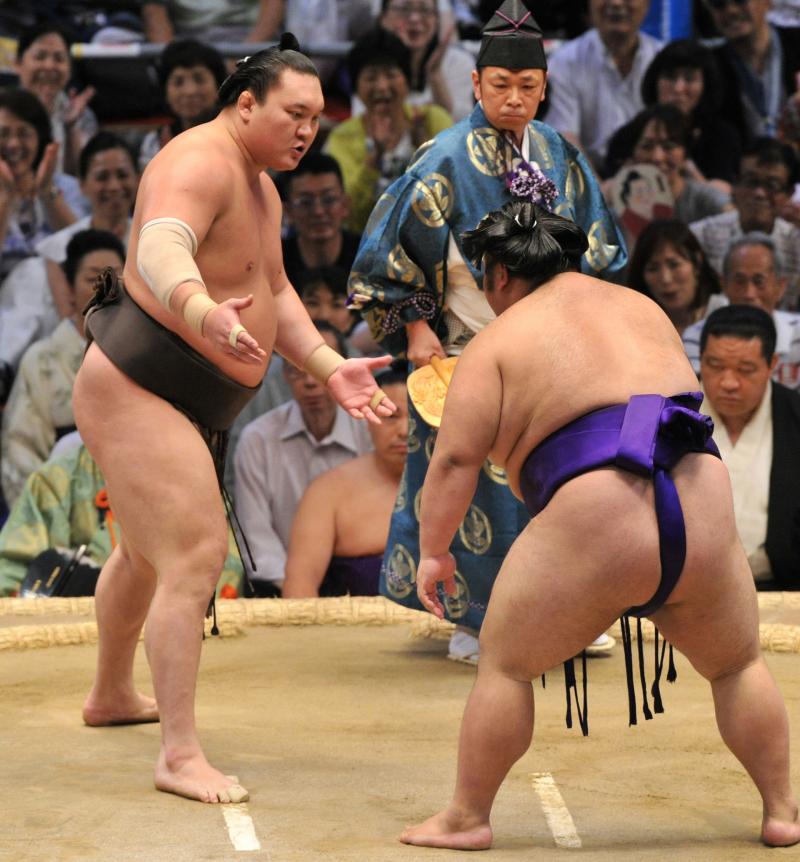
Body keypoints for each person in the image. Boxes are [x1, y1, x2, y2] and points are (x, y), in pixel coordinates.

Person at [400, 199, 800, 852]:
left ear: (499, 276)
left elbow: (455, 460)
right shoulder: (642, 307)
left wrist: (434, 552)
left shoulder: (496, 342)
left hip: (599, 510)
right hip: (698, 492)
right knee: (736, 663)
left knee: (504, 667)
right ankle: (783, 809)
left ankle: (467, 817)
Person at [71, 36, 394, 805]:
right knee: (194, 551)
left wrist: (326, 366)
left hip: (178, 390)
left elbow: (276, 291)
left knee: (147, 555)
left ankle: (112, 693)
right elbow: (160, 246)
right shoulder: (199, 162)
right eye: (294, 114)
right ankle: (178, 755)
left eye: (316, 118)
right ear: (245, 103)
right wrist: (198, 309)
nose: (307, 131)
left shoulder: (261, 184)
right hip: (136, 382)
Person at [349, 0, 626, 661]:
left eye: (528, 87)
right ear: (474, 85)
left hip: (556, 350)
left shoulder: (561, 155)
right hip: (465, 347)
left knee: (565, 481)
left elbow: (603, 251)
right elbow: (378, 266)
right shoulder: (440, 159)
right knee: (469, 480)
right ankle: (474, 619)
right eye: (500, 85)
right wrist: (416, 325)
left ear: (545, 86)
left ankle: (570, 611)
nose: (514, 99)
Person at [234, 322, 373, 596]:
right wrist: (298, 593)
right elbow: (255, 535)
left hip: (361, 582)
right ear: (283, 373)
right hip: (281, 586)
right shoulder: (258, 440)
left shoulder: (370, 428)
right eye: (297, 368)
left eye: (321, 367)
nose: (310, 380)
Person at [1, 229, 125, 506]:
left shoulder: (145, 355)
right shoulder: (41, 361)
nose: (108, 287)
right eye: (94, 279)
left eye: (118, 276)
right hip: (66, 516)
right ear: (69, 290)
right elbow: (21, 455)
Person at [0, 132, 139, 372]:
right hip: (78, 349)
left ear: (138, 180)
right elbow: (69, 313)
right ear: (83, 185)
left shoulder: (154, 236)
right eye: (102, 177)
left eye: (122, 175)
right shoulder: (59, 246)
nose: (114, 186)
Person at [283, 362, 408, 597]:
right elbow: (300, 585)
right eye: (391, 416)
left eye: (416, 418)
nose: (404, 430)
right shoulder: (328, 492)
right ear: (368, 419)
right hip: (352, 631)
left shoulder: (463, 486)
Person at [699, 304, 800, 589]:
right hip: (685, 591)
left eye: (745, 370)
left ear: (772, 365)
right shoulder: (671, 415)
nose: (729, 382)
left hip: (783, 585)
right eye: (715, 366)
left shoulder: (795, 416)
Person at [324, 27, 452, 232]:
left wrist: (423, 146)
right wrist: (374, 158)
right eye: (371, 78)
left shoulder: (433, 120)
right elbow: (349, 215)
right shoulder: (342, 138)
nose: (382, 86)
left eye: (391, 75)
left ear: (408, 80)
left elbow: (454, 191)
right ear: (356, 87)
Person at [543, 0, 662, 168]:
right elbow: (563, 139)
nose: (616, 3)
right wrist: (598, 190)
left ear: (648, 4)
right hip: (587, 177)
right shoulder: (563, 62)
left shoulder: (662, 60)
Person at [689, 137, 800, 307]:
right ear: (734, 184)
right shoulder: (701, 236)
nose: (759, 194)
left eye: (772, 185)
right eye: (750, 181)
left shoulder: (796, 240)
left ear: (790, 192)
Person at [682, 235, 800, 389]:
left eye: (759, 281)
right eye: (739, 281)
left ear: (780, 286)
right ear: (723, 284)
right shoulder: (696, 336)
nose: (749, 294)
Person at [0, 88, 85, 281]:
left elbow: (86, 254)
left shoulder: (68, 187)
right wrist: (5, 198)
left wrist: (47, 193)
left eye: (24, 134)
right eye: (3, 134)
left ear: (41, 139)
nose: (13, 144)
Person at [640, 38, 743, 188]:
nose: (678, 88)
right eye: (670, 77)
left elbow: (725, 197)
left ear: (705, 86)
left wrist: (686, 168)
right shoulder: (635, 130)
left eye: (689, 79)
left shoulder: (723, 137)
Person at [604, 105, 731, 226]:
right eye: (647, 146)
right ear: (633, 153)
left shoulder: (709, 202)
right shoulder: (617, 202)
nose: (657, 157)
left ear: (685, 153)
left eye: (668, 146)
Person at [705, 0, 800, 142]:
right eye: (719, 4)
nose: (731, 11)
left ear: (767, 2)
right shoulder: (707, 67)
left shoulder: (797, 43)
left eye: (741, 1)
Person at [13, 23, 99, 177]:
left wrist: (70, 127)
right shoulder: (3, 111)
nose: (49, 65)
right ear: (18, 63)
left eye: (59, 58)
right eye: (40, 57)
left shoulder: (82, 115)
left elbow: (83, 180)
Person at [138, 38, 227, 173]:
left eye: (199, 79)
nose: (190, 91)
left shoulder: (239, 138)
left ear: (219, 86)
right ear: (165, 92)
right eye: (178, 82)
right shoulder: (153, 144)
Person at [379, 0, 476, 121]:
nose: (414, 18)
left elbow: (464, 126)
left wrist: (435, 75)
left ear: (437, 19)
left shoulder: (459, 62)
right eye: (403, 9)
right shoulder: (369, 62)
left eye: (425, 10)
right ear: (383, 17)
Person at [279, 151, 361, 289]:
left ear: (345, 204)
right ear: (288, 211)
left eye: (329, 199)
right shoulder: (276, 262)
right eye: (305, 202)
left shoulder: (367, 257)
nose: (318, 211)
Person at [627, 219, 721, 335]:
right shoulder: (633, 326)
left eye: (674, 265)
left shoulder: (723, 312)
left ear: (697, 263)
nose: (666, 279)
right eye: (653, 269)